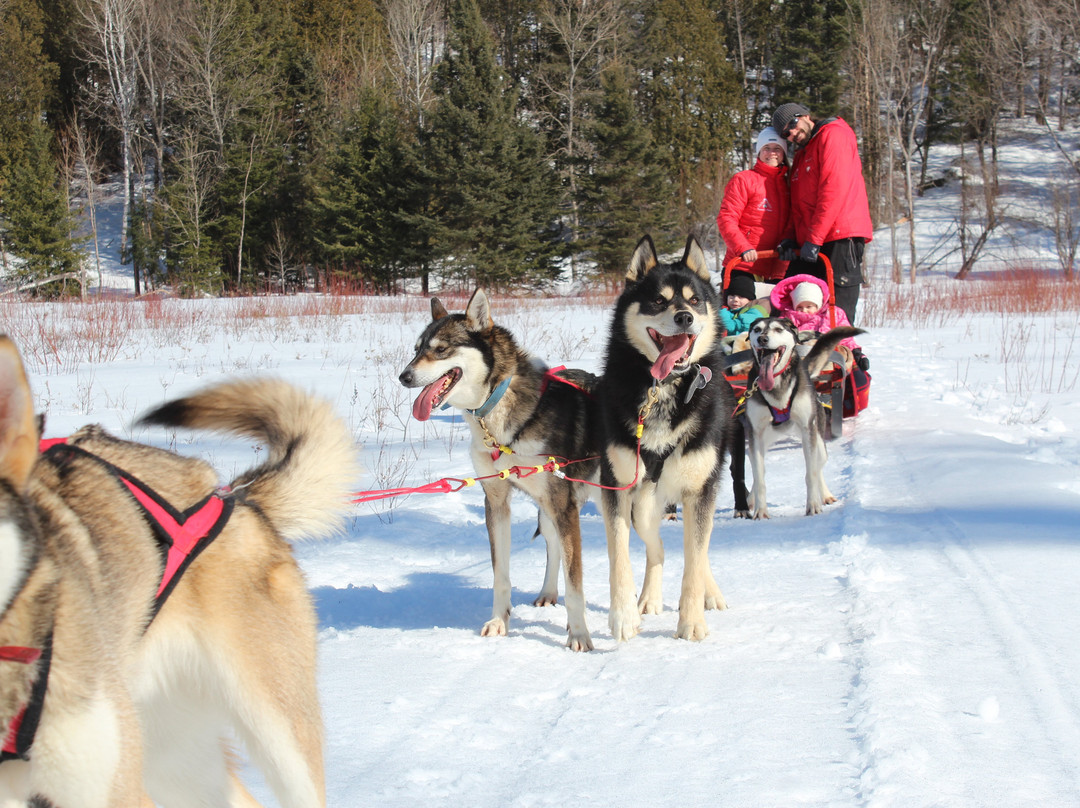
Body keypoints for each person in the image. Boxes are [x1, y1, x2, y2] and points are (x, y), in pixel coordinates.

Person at [771, 102, 872, 325]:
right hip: (810, 241)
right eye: (787, 133)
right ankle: (790, 356)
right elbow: (797, 205)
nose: (793, 134)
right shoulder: (802, 154)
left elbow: (833, 190)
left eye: (794, 125)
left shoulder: (833, 135)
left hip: (838, 236)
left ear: (806, 115)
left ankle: (840, 357)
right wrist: (789, 237)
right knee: (790, 304)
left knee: (836, 313)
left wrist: (814, 239)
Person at [716, 126, 794, 290]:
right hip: (744, 265)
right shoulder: (744, 180)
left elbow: (791, 222)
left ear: (783, 153)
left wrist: (787, 242)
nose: (772, 153)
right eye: (767, 148)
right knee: (741, 313)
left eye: (777, 149)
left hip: (776, 269)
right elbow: (726, 218)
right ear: (759, 152)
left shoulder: (789, 185)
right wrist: (742, 247)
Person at [770, 274, 869, 369]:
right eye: (799, 307)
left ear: (818, 304)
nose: (804, 310)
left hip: (828, 356)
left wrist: (856, 352)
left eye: (809, 306)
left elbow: (846, 338)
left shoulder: (832, 314)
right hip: (799, 358)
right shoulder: (789, 316)